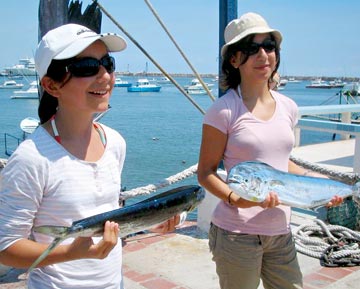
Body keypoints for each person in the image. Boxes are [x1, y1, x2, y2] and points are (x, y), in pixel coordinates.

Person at [0, 23, 178, 289]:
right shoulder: (31, 159)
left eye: (108, 63)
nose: (105, 75)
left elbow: (106, 216)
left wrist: (149, 225)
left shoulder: (114, 142)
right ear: (51, 85)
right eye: (86, 67)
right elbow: (7, 247)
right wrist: (70, 253)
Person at [197, 12, 343, 289]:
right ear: (234, 59)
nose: (263, 55)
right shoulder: (223, 111)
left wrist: (317, 183)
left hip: (281, 231)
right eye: (252, 48)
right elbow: (205, 173)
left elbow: (282, 162)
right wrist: (234, 199)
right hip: (236, 235)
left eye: (269, 46)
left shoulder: (288, 107)